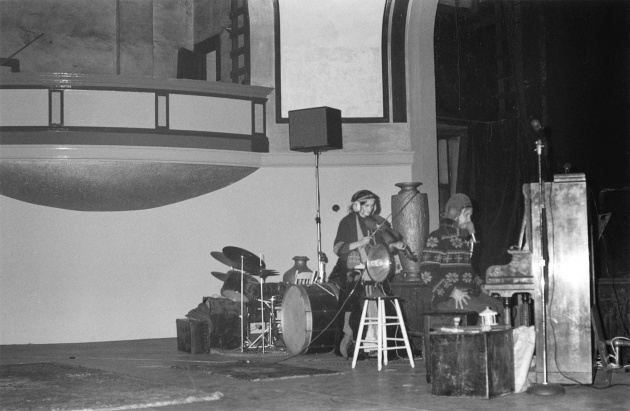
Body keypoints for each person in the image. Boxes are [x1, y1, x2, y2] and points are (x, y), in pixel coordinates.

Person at [328, 189, 407, 358]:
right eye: (367, 205)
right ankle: (354, 344)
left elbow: (385, 246)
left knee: (387, 305)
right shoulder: (347, 222)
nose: (370, 209)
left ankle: (384, 345)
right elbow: (337, 248)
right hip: (353, 271)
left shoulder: (377, 222)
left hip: (376, 270)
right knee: (355, 307)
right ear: (356, 205)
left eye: (372, 206)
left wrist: (396, 245)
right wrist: (358, 243)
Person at [418, 193, 501, 314]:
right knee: (489, 309)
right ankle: (479, 333)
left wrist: (481, 285)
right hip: (447, 298)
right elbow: (427, 272)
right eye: (466, 215)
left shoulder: (464, 240)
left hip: (469, 295)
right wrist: (452, 291)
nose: (470, 220)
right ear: (454, 214)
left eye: (470, 216)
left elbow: (468, 271)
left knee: (503, 307)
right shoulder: (437, 237)